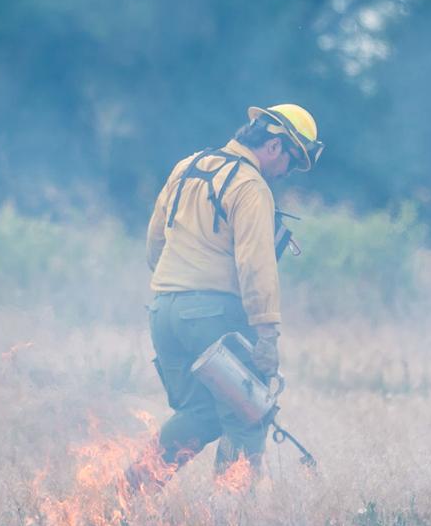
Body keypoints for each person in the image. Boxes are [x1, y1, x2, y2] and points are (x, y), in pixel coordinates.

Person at [127, 104, 323, 490]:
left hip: (164, 311)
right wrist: (267, 335)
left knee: (199, 413)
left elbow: (154, 244)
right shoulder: (250, 186)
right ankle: (233, 519)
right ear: (274, 145)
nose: (287, 172)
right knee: (246, 415)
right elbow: (256, 265)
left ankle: (129, 490)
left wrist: (179, 289)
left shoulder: (186, 167)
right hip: (213, 318)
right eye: (291, 161)